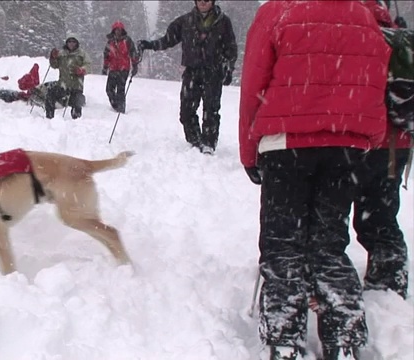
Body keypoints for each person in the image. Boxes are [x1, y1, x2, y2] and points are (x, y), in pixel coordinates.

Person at [239, 1, 391, 359]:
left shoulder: (280, 10)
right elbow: (376, 80)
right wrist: (367, 139)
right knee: (328, 241)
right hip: (347, 143)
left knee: (282, 243)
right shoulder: (363, 15)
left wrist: (250, 151)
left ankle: (284, 336)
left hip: (286, 141)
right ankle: (345, 334)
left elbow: (253, 84)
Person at [353, 0, 411, 300]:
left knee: (365, 214)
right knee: (381, 211)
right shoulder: (396, 34)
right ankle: (389, 278)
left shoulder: (360, 34)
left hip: (369, 139)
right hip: (397, 143)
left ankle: (385, 280)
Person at [138, 0, 237, 155]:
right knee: (186, 111)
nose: (203, 3)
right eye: (200, 0)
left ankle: (209, 144)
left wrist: (229, 69)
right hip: (192, 71)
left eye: (207, 0)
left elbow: (231, 48)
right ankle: (195, 141)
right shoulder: (185, 21)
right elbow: (168, 40)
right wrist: (150, 45)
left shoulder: (223, 22)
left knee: (211, 110)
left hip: (213, 72)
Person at [46, 36, 91, 119]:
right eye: (69, 41)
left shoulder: (82, 54)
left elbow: (89, 66)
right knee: (50, 96)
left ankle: (76, 122)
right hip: (62, 85)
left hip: (76, 86)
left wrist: (82, 70)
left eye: (73, 42)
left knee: (77, 104)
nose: (71, 44)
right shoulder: (61, 53)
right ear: (66, 43)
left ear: (77, 43)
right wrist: (52, 57)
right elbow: (54, 65)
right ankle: (49, 118)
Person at [102, 21, 140, 114]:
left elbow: (133, 53)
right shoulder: (110, 42)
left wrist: (135, 65)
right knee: (109, 90)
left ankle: (121, 109)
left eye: (119, 30)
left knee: (121, 90)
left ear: (122, 30)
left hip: (124, 69)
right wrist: (105, 67)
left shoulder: (127, 40)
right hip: (113, 68)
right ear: (113, 30)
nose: (118, 31)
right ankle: (116, 105)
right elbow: (106, 55)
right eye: (116, 30)